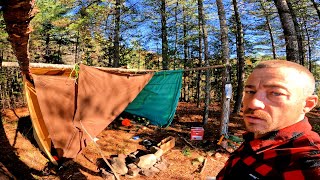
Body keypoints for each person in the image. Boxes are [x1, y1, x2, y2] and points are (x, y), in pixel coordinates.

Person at [217, 60, 320, 179]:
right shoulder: (254, 139)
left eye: (276, 93)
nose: (253, 103)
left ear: (307, 104)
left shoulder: (309, 161)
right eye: (250, 91)